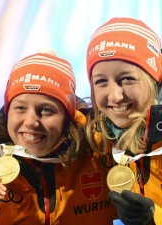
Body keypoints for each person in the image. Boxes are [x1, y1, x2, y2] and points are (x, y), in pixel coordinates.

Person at [0, 48, 119, 224]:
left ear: (67, 117)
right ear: (8, 112)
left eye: (46, 110)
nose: (31, 122)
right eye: (20, 108)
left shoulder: (99, 152)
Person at [85, 17, 162, 225]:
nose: (115, 96)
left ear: (154, 81)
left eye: (127, 79)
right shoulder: (94, 137)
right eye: (101, 81)